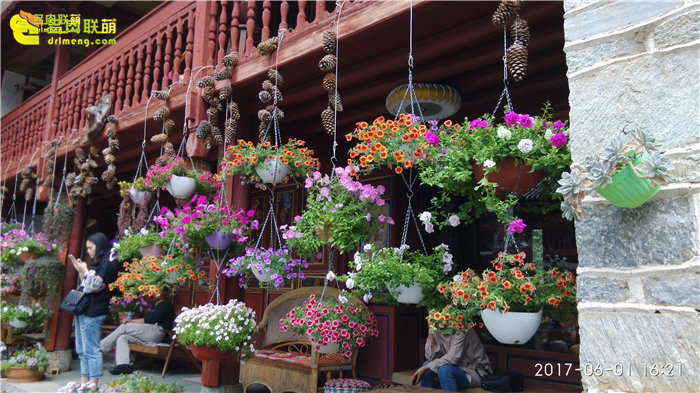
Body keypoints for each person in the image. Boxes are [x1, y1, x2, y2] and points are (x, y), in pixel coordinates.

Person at [69, 232, 119, 392]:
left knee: (91, 349)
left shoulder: (108, 263)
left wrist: (84, 270)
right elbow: (86, 284)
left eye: (91, 248)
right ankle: (84, 384)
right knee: (82, 350)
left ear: (100, 246)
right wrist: (81, 270)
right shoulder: (98, 263)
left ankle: (93, 386)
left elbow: (94, 287)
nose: (89, 251)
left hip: (94, 311)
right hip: (84, 309)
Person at [100, 287, 175, 375]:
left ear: (165, 292)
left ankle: (100, 349)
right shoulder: (155, 305)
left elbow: (150, 320)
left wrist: (131, 321)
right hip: (149, 332)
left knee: (125, 326)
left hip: (159, 331)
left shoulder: (166, 304)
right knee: (122, 337)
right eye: (153, 291)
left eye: (157, 291)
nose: (154, 293)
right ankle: (123, 365)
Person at [411, 327, 492, 391]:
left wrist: (425, 367)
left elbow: (453, 357)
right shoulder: (437, 328)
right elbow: (429, 356)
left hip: (473, 371)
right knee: (427, 366)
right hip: (455, 367)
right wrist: (430, 331)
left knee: (444, 370)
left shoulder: (461, 328)